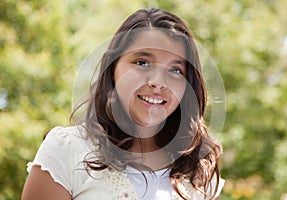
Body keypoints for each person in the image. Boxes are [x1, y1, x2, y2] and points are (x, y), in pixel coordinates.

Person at [21, 8, 225, 200]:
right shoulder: (67, 149)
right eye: (142, 62)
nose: (158, 82)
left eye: (175, 70)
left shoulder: (198, 172)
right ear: (112, 70)